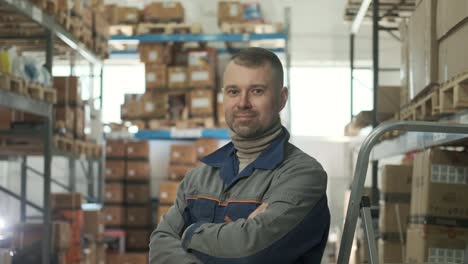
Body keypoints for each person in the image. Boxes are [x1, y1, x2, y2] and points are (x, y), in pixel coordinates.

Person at [149, 47, 330, 264]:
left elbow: (249, 251)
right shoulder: (199, 178)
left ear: (282, 99)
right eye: (234, 91)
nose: (243, 103)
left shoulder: (302, 176)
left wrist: (189, 233)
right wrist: (232, 239)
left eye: (257, 91)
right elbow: (159, 246)